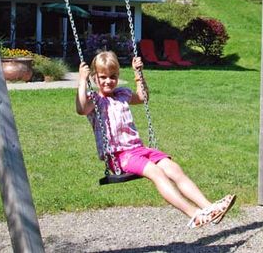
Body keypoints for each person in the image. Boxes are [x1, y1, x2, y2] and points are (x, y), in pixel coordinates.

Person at [76, 51, 236, 229]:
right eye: (103, 77)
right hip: (120, 156)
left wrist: (138, 74)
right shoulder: (94, 101)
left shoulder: (121, 94)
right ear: (94, 77)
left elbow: (143, 97)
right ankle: (195, 215)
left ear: (118, 76)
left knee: (175, 170)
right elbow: (81, 109)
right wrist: (82, 80)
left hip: (139, 149)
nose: (108, 81)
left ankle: (210, 209)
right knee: (157, 173)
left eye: (113, 77)